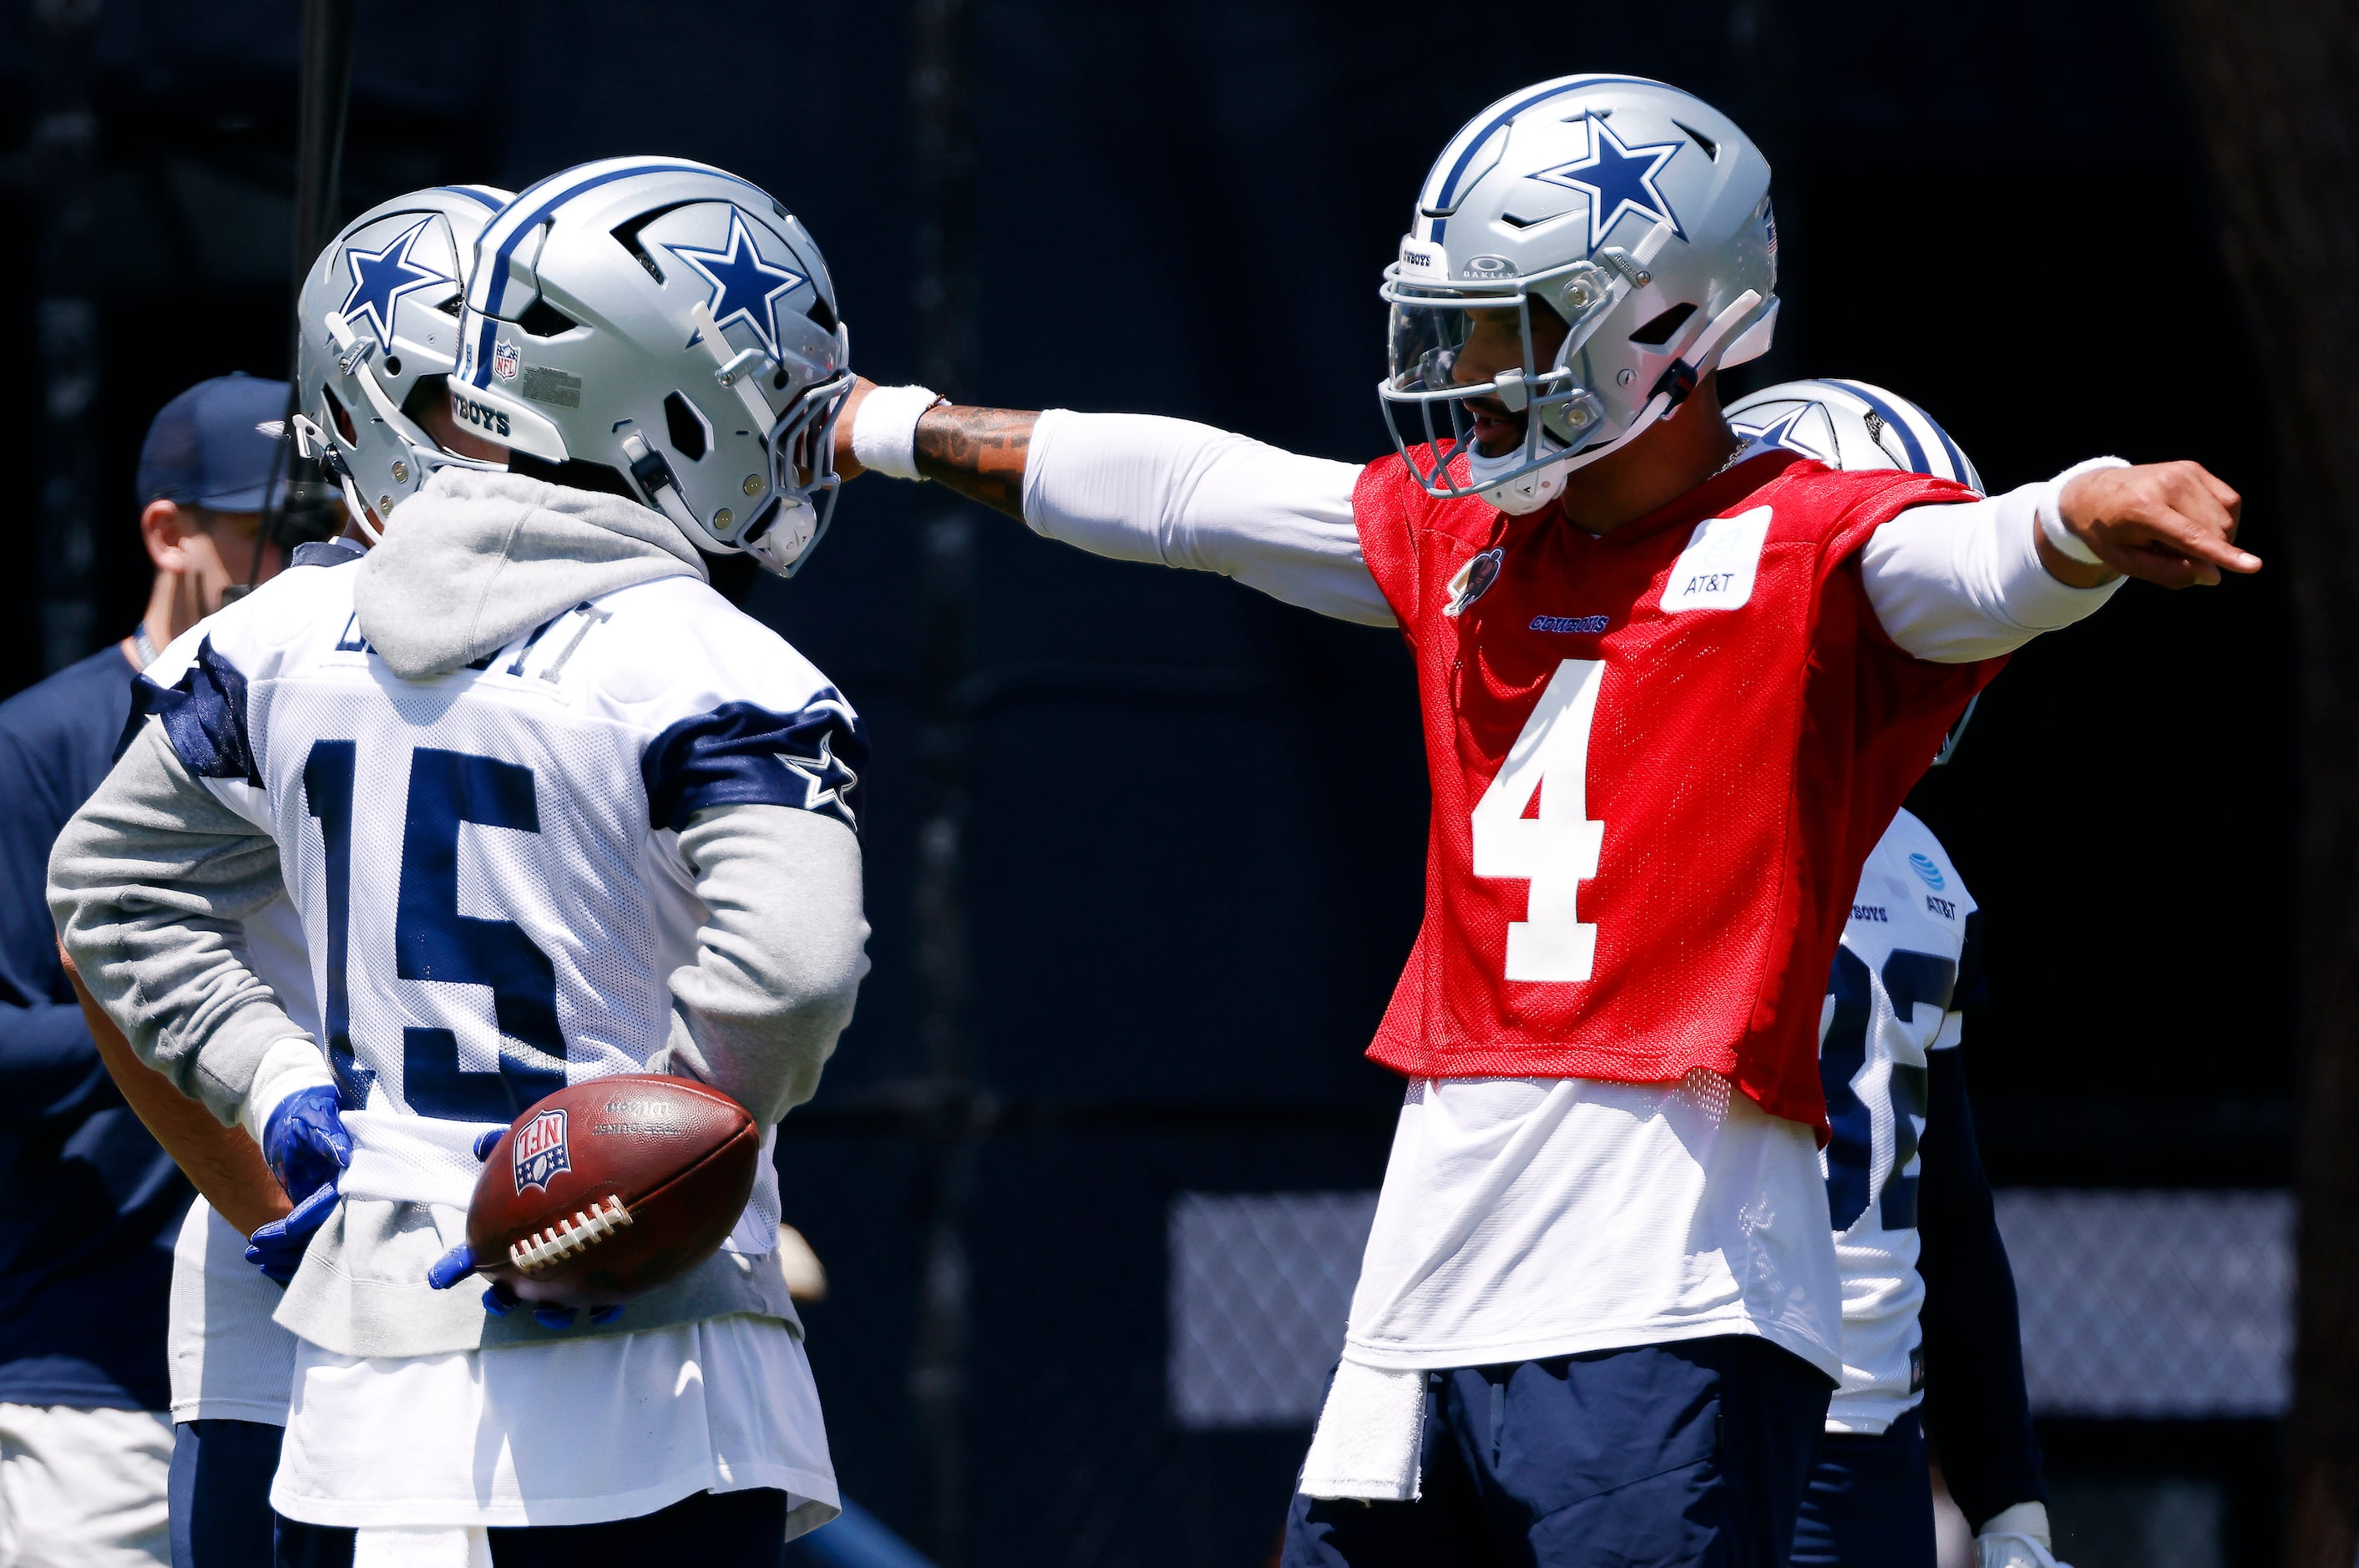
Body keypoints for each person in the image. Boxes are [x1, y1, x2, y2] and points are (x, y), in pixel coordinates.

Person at [835, 73, 2254, 1567]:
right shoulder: (1465, 535)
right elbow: (1199, 493)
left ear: (1673, 331)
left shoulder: (1808, 545)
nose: (1468, 367)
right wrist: (888, 424)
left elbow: (1981, 557)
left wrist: (2090, 504)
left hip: (1670, 1276)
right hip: (1431, 1272)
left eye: (1513, 324)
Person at [52, 158, 867, 1566]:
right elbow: (792, 975)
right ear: (656, 395)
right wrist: (636, 1163)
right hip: (653, 1381)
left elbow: (109, 888)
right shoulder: (716, 663)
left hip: (364, 1381)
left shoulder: (274, 637)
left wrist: (272, 1072)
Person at [1719, 380, 2065, 1568]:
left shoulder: (1920, 871)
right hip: (1697, 1407)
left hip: (1854, 1426)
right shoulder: (1681, 816)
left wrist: (2004, 1491)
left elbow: (1946, 1204)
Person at [0, 375, 292, 1568]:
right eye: (265, 532)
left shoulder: (353, 719)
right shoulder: (47, 737)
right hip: (96, 1364)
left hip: (323, 1353)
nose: (297, 562)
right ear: (169, 534)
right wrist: (201, 1008)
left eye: (323, 530)